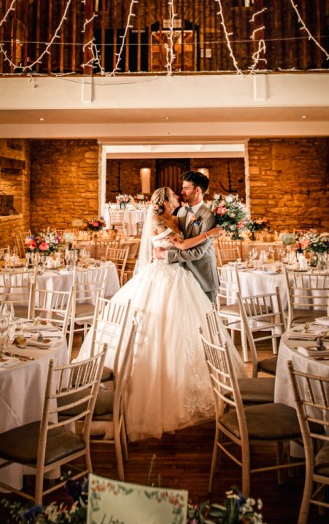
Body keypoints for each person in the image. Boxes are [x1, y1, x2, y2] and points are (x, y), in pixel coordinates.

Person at [79, 185, 225, 442]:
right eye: (174, 196)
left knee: (184, 330)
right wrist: (208, 235)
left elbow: (178, 248)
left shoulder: (177, 218)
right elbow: (180, 245)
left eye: (181, 193)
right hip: (161, 278)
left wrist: (176, 249)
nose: (179, 197)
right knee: (159, 327)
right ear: (166, 200)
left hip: (180, 276)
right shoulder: (158, 220)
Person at [153, 169, 220, 303]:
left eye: (186, 188)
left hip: (202, 275)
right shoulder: (181, 211)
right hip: (182, 277)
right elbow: (174, 239)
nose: (181, 192)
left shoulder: (209, 216)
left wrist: (166, 255)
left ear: (197, 190)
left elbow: (197, 252)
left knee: (206, 314)